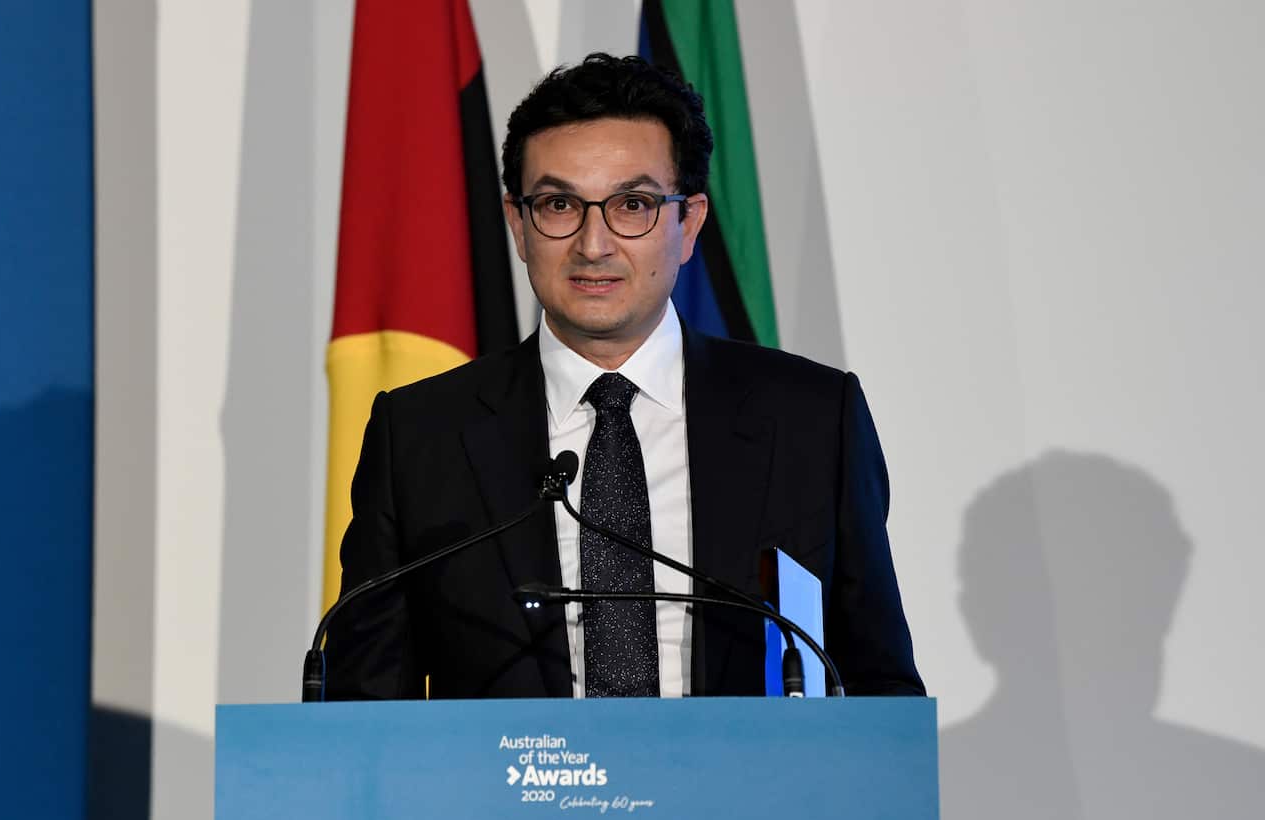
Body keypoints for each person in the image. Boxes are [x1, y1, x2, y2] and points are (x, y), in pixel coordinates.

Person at [325, 53, 923, 702]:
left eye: (632, 205)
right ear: (518, 225)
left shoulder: (811, 419)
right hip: (507, 801)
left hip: (748, 800)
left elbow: (876, 686)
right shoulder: (422, 436)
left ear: (688, 222)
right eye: (558, 204)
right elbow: (367, 710)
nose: (594, 244)